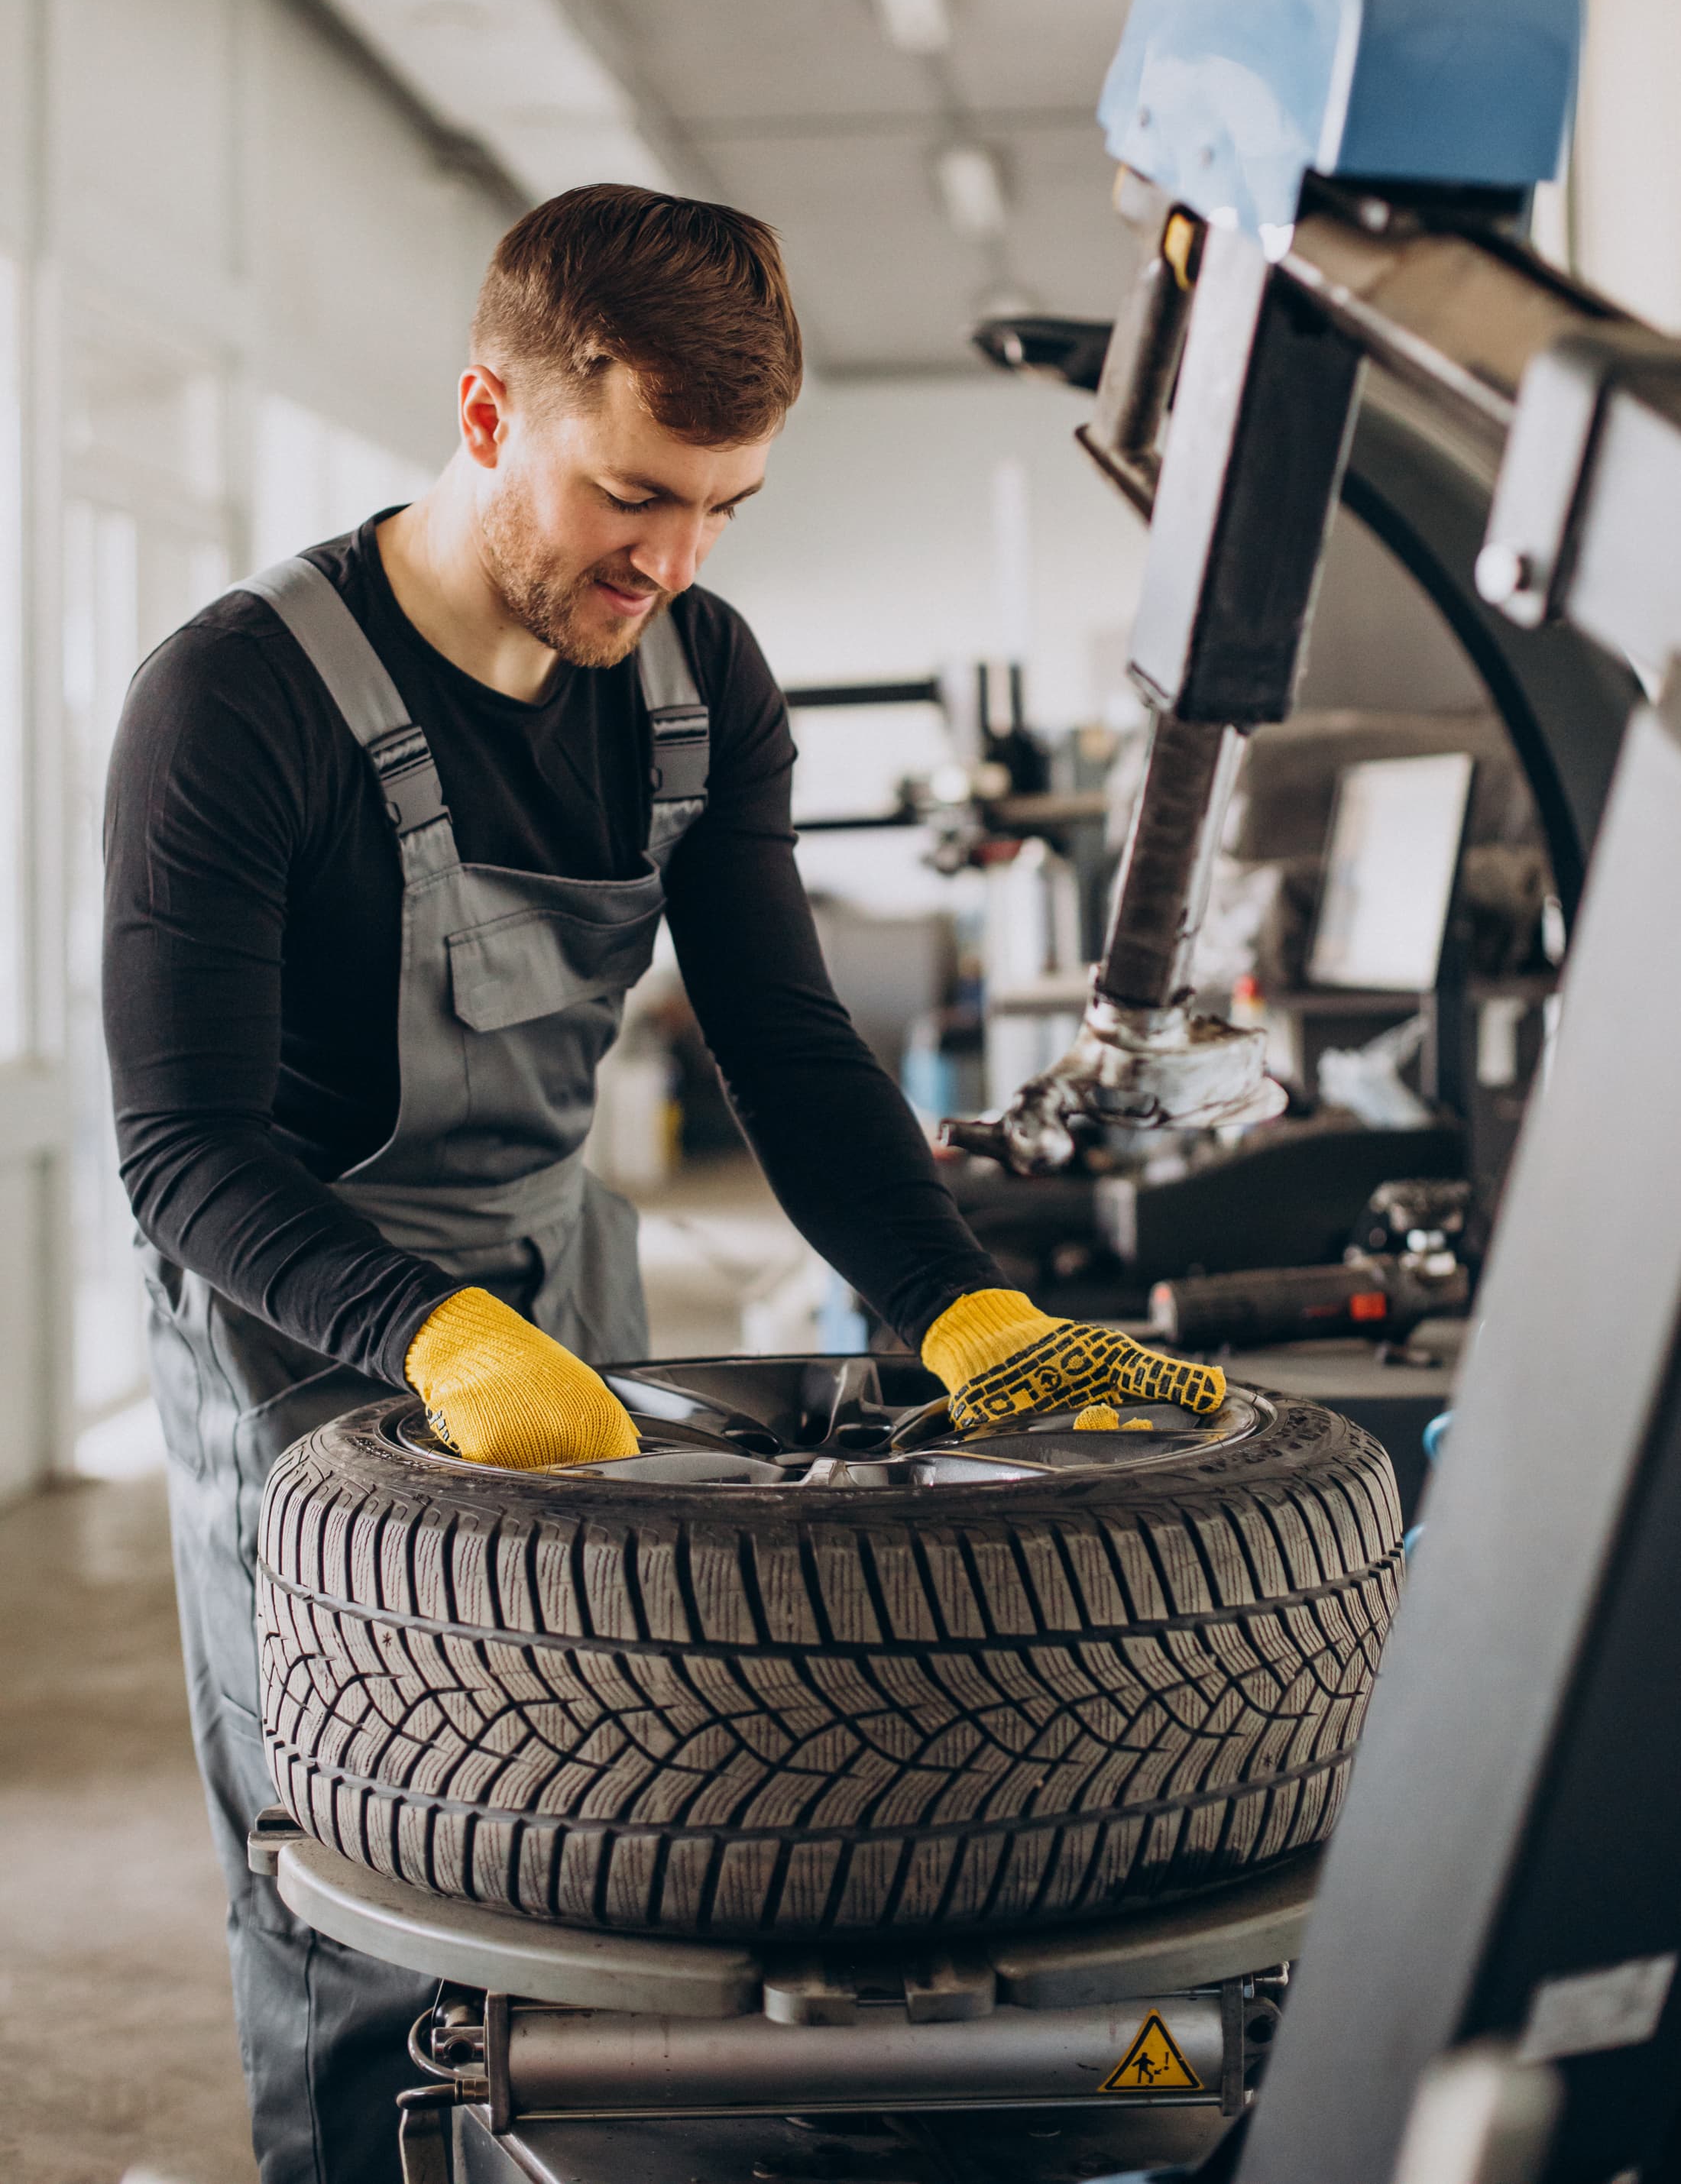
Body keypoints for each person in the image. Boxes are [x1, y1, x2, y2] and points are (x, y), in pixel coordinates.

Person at [102, 184, 1219, 2184]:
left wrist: (955, 1301)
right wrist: (433, 1334)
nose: (674, 560)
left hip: (560, 1281)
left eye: (724, 508)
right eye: (633, 494)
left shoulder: (700, 680)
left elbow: (786, 1044)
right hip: (302, 1327)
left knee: (603, 1853)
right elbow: (182, 1144)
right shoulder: (237, 700)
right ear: (486, 413)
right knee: (364, 1874)